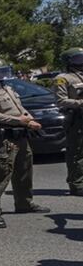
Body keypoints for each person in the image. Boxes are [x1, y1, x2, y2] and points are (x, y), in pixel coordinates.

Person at [0, 59, 49, 221]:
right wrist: (19, 121)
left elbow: (20, 109)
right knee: (1, 173)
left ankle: (24, 203)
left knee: (24, 170)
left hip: (21, 135)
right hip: (4, 137)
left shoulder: (8, 88)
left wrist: (30, 120)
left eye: (2, 71)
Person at [54, 48, 83, 196]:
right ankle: (76, 184)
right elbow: (61, 100)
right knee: (76, 152)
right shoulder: (63, 78)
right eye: (78, 58)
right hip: (76, 118)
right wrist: (80, 103)